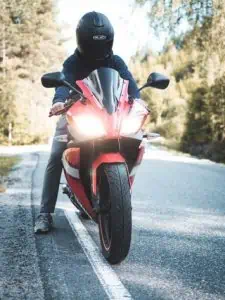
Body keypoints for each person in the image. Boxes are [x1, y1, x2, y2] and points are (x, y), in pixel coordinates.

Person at [34, 11, 140, 233]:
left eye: (101, 45)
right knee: (55, 155)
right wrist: (59, 101)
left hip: (108, 116)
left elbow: (129, 83)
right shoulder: (73, 62)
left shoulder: (115, 61)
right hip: (78, 114)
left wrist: (138, 101)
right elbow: (63, 83)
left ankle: (112, 194)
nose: (97, 51)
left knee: (135, 139)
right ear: (82, 41)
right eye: (92, 45)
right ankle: (45, 213)